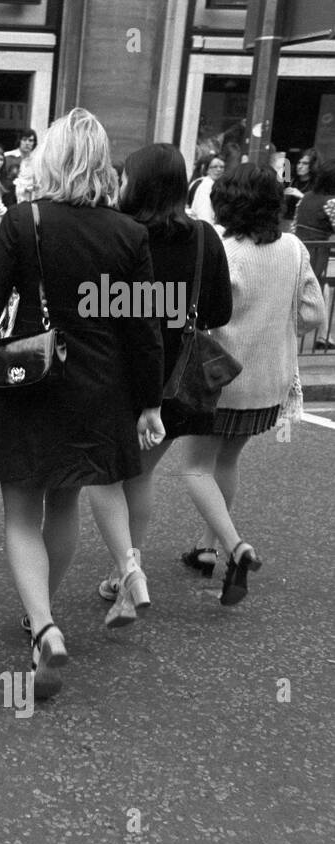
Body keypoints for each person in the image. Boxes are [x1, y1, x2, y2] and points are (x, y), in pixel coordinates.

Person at [0, 108, 165, 700]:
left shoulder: (24, 221)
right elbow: (144, 329)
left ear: (49, 159)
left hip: (29, 377)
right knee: (67, 499)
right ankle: (61, 602)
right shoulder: (130, 234)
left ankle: (44, 625)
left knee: (21, 513)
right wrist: (148, 403)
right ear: (102, 163)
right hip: (99, 386)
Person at [176, 164, 325, 603]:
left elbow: (198, 314)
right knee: (226, 463)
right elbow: (314, 315)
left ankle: (236, 546)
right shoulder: (295, 249)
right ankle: (206, 547)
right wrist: (275, 326)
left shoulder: (222, 251)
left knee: (195, 466)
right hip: (269, 384)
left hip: (219, 382)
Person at [94, 143, 232, 598]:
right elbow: (219, 311)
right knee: (141, 475)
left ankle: (128, 571)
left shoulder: (118, 232)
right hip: (177, 380)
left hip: (116, 373)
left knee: (108, 477)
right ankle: (128, 569)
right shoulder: (204, 238)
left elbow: (100, 306)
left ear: (139, 183)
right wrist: (177, 309)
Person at [293, 158, 335, 348]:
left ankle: (324, 337)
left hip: (300, 249)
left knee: (321, 291)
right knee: (321, 291)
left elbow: (295, 225)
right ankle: (324, 337)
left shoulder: (306, 197)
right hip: (318, 254)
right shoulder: (331, 201)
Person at [2, 129, 36, 206]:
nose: (27, 143)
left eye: (30, 140)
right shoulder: (8, 157)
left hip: (29, 200)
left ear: (34, 143)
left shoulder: (37, 160)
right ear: (19, 141)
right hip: (9, 199)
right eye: (24, 140)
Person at [189, 154, 224, 223]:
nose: (219, 169)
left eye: (222, 167)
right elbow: (204, 215)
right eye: (215, 167)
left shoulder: (198, 181)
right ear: (206, 169)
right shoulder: (207, 185)